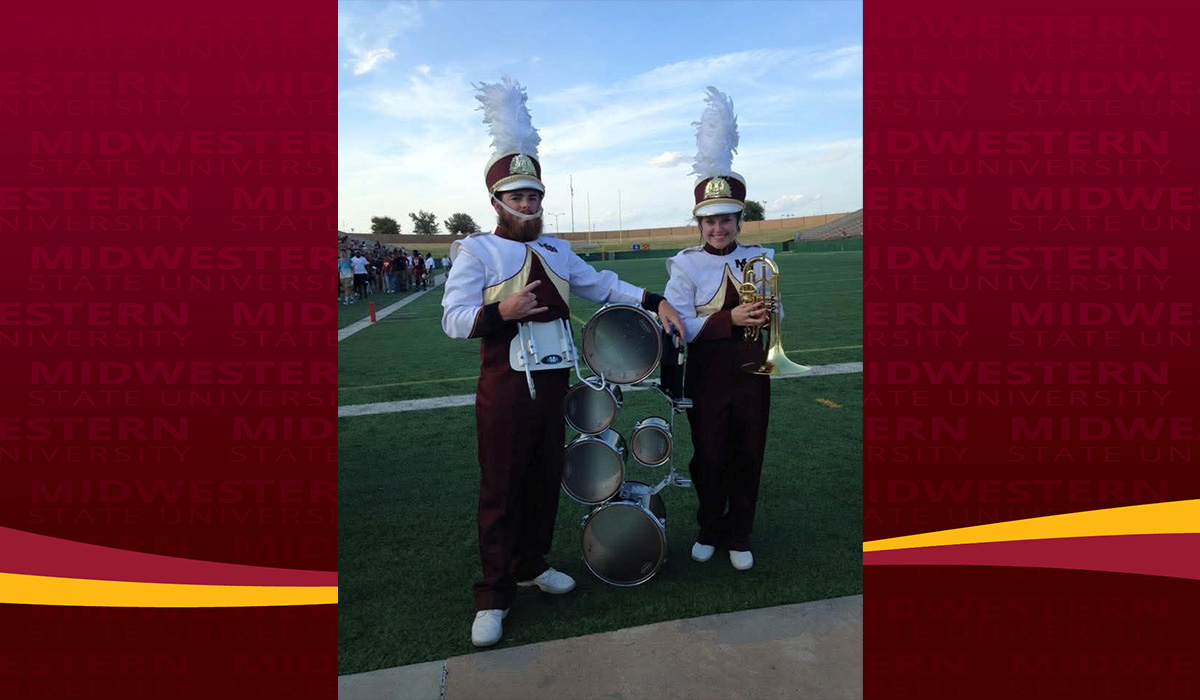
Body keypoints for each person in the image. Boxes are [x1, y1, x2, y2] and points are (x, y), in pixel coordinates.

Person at [441, 76, 684, 648]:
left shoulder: (557, 249)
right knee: (502, 488)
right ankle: (494, 593)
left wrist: (655, 299)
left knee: (545, 479)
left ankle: (532, 563)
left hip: (554, 385)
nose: (528, 205)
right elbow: (452, 319)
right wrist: (501, 310)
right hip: (506, 388)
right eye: (517, 197)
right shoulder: (477, 250)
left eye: (534, 196)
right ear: (497, 202)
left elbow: (601, 285)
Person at [664, 87, 772, 572]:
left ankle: (740, 533)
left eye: (726, 220)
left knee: (748, 454)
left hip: (752, 372)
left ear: (738, 220)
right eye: (709, 222)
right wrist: (730, 319)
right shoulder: (685, 265)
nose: (718, 229)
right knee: (708, 457)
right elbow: (681, 326)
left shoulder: (761, 259)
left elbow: (776, 314)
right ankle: (709, 527)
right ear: (699, 225)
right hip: (706, 377)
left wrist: (770, 315)